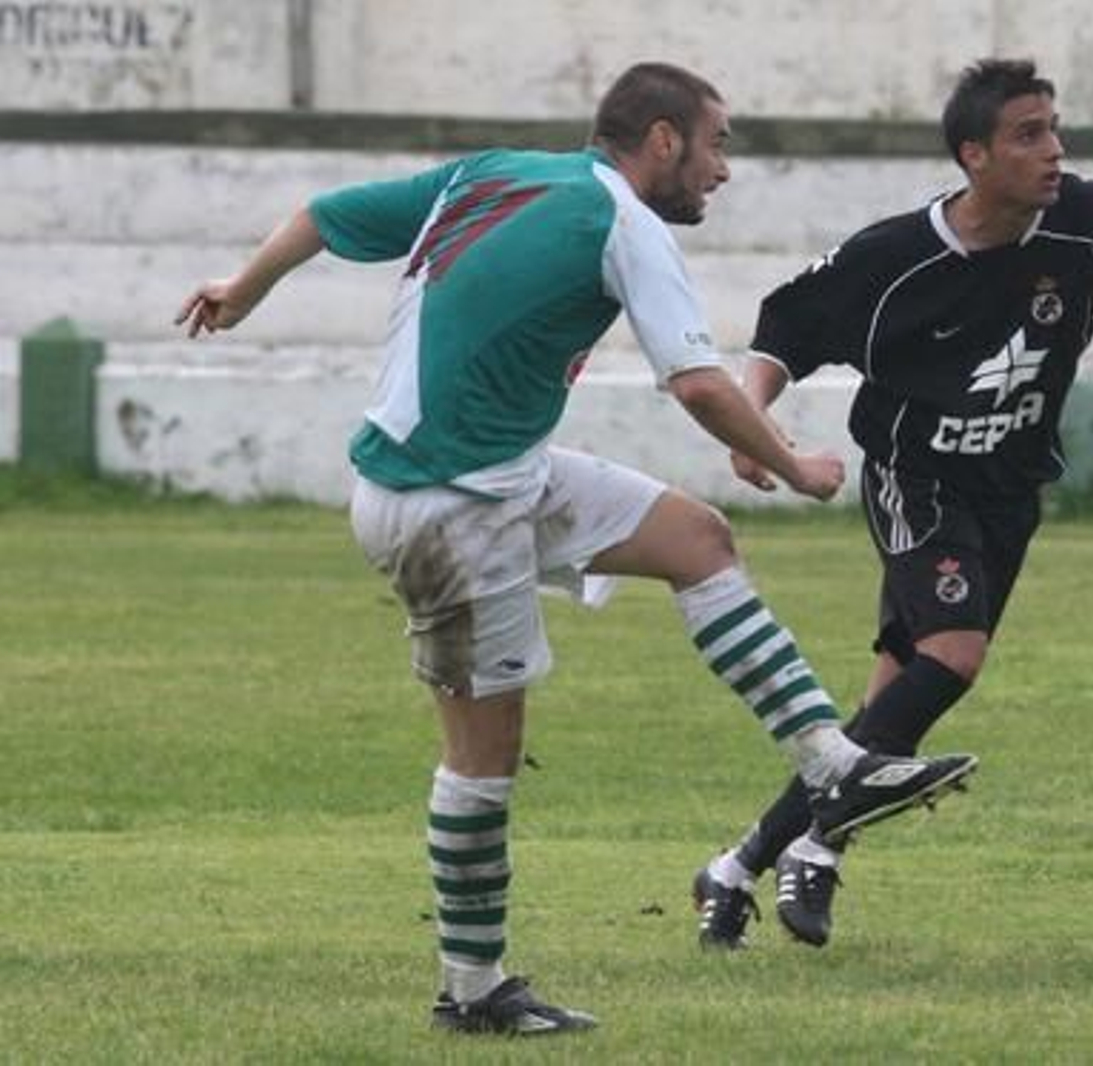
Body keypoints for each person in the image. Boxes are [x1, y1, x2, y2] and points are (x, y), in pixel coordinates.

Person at [175, 61, 978, 1037]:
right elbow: (695, 382)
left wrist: (240, 289)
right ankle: (471, 990)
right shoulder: (623, 224)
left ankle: (829, 763)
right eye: (717, 145)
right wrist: (792, 459)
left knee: (696, 538)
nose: (723, 171)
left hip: (495, 471)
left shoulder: (494, 170)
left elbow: (325, 212)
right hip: (447, 504)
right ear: (664, 140)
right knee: (483, 756)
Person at [692, 57, 1093, 950]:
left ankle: (767, 860)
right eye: (1029, 135)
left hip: (1012, 491)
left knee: (898, 698)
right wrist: (753, 425)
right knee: (955, 651)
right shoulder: (893, 260)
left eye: (1055, 129)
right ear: (974, 155)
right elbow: (786, 327)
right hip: (918, 480)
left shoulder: (1085, 222)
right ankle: (777, 854)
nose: (1053, 151)